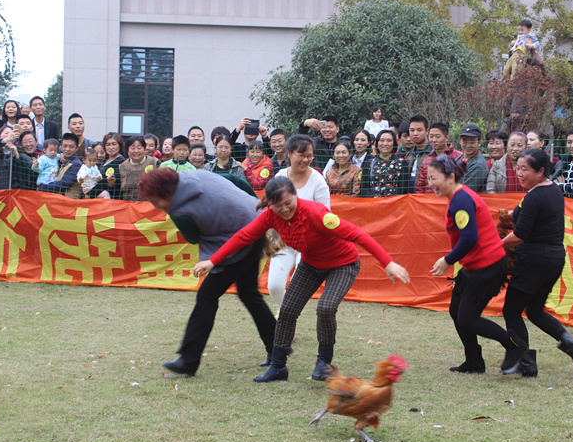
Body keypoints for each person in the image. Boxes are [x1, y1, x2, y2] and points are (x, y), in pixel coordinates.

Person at [194, 176, 411, 383]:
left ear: (296, 195)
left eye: (289, 202)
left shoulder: (317, 214)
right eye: (279, 205)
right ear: (270, 204)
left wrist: (387, 262)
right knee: (287, 310)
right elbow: (243, 236)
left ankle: (324, 364)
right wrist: (212, 261)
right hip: (311, 264)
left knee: (325, 308)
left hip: (343, 264)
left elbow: (357, 234)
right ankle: (278, 366)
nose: (285, 209)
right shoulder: (270, 216)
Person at [137, 168, 277, 377]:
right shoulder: (194, 174)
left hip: (242, 239)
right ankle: (278, 347)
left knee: (207, 296)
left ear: (167, 194)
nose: (156, 206)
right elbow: (233, 179)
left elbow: (193, 237)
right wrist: (250, 202)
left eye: (156, 201)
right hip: (257, 222)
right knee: (249, 293)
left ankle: (188, 360)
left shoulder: (180, 212)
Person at [427, 155, 526, 374]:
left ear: (451, 177)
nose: (430, 183)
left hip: (488, 267)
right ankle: (474, 360)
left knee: (468, 319)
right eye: (428, 178)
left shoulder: (461, 199)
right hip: (474, 266)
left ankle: (515, 345)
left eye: (434, 178)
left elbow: (469, 237)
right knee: (456, 311)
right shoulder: (457, 198)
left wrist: (447, 260)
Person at [502, 149, 573, 377]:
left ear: (540, 171)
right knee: (533, 310)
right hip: (553, 260)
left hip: (534, 260)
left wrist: (495, 245)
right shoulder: (551, 190)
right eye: (518, 167)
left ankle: (525, 361)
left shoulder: (534, 196)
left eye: (525, 169)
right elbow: (531, 217)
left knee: (511, 310)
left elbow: (520, 235)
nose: (519, 173)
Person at [267, 134, 331, 314]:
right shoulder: (280, 177)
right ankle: (285, 310)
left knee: (296, 288)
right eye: (301, 154)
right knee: (274, 286)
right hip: (283, 241)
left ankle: (286, 319)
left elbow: (326, 214)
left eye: (309, 155)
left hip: (308, 244)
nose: (306, 159)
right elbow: (271, 210)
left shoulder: (317, 180)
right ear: (289, 154)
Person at [415, 122, 462, 194]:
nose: (434, 140)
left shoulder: (458, 156)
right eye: (431, 136)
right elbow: (420, 187)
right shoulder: (426, 160)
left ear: (447, 138)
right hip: (430, 202)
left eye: (437, 137)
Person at [360, 129, 410, 197]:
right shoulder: (369, 163)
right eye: (382, 140)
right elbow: (364, 187)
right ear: (377, 143)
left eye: (389, 140)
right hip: (374, 203)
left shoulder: (402, 163)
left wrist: (387, 200)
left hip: (395, 203)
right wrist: (373, 198)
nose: (385, 143)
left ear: (394, 143)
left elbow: (403, 188)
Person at [0, 125, 30, 190]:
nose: (9, 136)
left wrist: (16, 156)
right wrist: (6, 140)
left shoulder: (20, 153)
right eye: (6, 133)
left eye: (11, 134)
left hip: (16, 193)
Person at [119, 135, 160, 201]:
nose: (136, 151)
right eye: (132, 148)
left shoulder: (155, 163)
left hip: (150, 206)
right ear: (128, 150)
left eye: (139, 148)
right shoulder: (122, 166)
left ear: (144, 149)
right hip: (129, 206)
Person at [88, 133, 126, 199]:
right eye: (108, 145)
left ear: (119, 145)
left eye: (114, 144)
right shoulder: (105, 161)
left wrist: (89, 195)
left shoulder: (121, 162)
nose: (111, 147)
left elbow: (104, 184)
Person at [455, 124, 488, 193]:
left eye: (472, 141)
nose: (468, 145)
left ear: (479, 143)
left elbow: (464, 193)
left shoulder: (478, 165)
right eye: (465, 141)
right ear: (460, 141)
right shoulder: (459, 159)